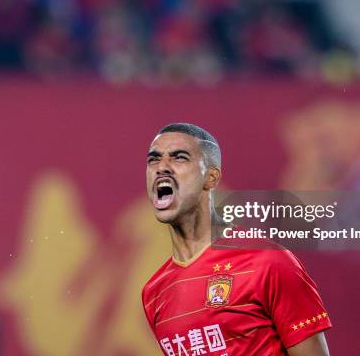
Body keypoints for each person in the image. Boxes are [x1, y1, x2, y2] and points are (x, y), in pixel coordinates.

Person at [142, 123, 331, 355]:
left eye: (179, 158)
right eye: (154, 159)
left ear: (211, 178)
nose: (162, 167)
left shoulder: (267, 262)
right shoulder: (154, 292)